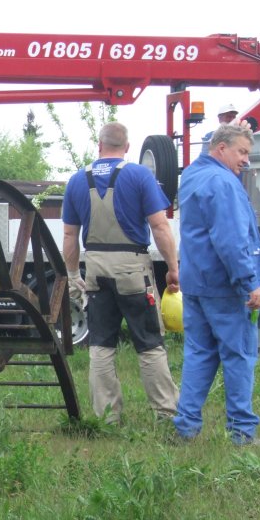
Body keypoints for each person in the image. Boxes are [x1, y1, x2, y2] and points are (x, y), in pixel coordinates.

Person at [62, 122, 180, 424]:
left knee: (101, 343)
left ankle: (106, 418)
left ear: (99, 146)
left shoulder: (77, 180)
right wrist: (173, 269)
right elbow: (160, 226)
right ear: (127, 147)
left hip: (96, 268)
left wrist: (73, 273)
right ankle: (166, 414)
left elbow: (69, 236)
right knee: (149, 341)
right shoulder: (140, 175)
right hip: (132, 269)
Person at [173, 124, 260, 446]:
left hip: (197, 284)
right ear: (221, 148)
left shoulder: (192, 175)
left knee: (199, 354)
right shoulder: (223, 182)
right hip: (225, 287)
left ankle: (186, 427)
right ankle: (242, 432)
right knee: (239, 355)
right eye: (242, 152)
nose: (246, 160)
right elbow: (230, 241)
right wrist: (249, 283)